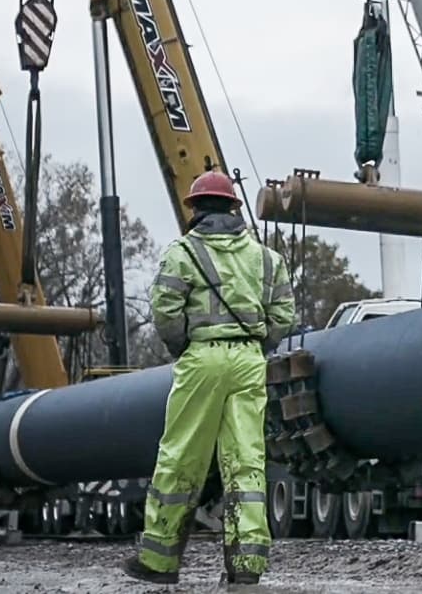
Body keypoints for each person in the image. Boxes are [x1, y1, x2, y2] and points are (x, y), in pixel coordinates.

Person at [123, 170, 295, 587]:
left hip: (202, 358)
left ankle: (160, 561)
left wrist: (185, 345)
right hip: (250, 360)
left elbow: (165, 310)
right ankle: (247, 565)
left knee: (181, 455)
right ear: (234, 208)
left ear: (195, 208)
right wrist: (257, 344)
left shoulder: (182, 253)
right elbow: (284, 315)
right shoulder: (266, 258)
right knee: (247, 460)